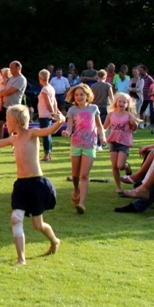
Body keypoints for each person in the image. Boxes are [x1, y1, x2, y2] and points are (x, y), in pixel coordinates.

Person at [0, 105, 64, 265]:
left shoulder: (31, 134)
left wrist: (60, 121)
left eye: (7, 120)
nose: (5, 123)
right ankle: (21, 259)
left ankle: (54, 241)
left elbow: (48, 131)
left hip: (36, 183)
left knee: (38, 225)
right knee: (16, 218)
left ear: (15, 121)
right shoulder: (13, 139)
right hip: (21, 185)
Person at [62, 83, 105, 214]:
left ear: (87, 96)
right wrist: (66, 133)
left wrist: (102, 137)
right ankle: (76, 189)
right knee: (75, 175)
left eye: (81, 94)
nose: (79, 97)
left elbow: (99, 125)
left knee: (84, 175)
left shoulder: (94, 108)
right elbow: (69, 128)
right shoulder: (72, 110)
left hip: (90, 145)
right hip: (76, 144)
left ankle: (81, 203)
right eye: (76, 95)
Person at [103, 92, 139, 193]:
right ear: (116, 102)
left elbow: (134, 128)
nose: (121, 104)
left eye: (124, 102)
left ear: (127, 104)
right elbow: (104, 127)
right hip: (113, 141)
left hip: (124, 142)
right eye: (120, 101)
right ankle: (118, 187)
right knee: (114, 166)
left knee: (120, 166)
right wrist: (100, 134)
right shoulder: (111, 114)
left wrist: (134, 124)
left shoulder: (129, 115)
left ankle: (127, 167)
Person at [0, 61, 27, 154]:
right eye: (10, 68)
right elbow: (6, 89)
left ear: (18, 68)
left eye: (12, 68)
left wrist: (1, 93)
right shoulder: (11, 79)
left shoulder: (21, 79)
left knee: (16, 128)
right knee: (0, 124)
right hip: (5, 106)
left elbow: (11, 91)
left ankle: (17, 147)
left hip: (14, 107)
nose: (10, 70)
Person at [37, 69, 58, 162]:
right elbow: (54, 102)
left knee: (45, 135)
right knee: (48, 135)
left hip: (44, 114)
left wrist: (52, 112)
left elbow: (48, 103)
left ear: (40, 78)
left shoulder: (44, 89)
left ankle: (46, 155)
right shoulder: (51, 88)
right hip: (48, 114)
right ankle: (49, 154)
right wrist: (54, 112)